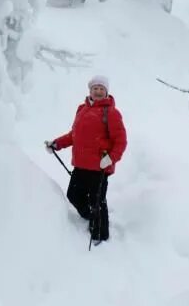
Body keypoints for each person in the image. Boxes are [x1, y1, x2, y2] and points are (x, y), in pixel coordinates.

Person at [45, 74, 128, 244]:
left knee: (97, 201)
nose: (98, 91)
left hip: (100, 166)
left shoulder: (111, 113)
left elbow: (121, 141)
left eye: (101, 89)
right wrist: (57, 144)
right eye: (95, 88)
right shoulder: (81, 109)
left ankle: (100, 235)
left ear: (106, 92)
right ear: (90, 90)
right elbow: (74, 135)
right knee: (73, 195)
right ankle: (89, 217)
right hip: (81, 165)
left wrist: (111, 159)